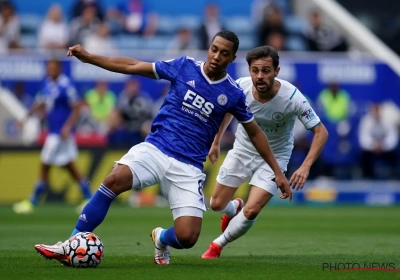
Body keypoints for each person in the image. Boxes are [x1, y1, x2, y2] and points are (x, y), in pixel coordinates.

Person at [34, 31, 291, 266]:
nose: (216, 56)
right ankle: (69, 243)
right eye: (214, 49)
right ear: (209, 48)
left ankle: (161, 239)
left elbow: (255, 133)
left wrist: (277, 172)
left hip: (189, 166)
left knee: (188, 237)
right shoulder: (184, 67)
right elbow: (133, 65)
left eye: (224, 53)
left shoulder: (233, 94)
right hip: (156, 148)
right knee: (114, 180)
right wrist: (90, 58)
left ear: (232, 58)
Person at [201, 46, 328, 259]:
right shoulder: (240, 87)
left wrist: (305, 167)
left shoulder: (293, 97)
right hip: (242, 151)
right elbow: (226, 113)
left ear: (276, 71)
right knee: (215, 204)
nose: (260, 76)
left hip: (274, 160)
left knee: (251, 211)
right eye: (255, 70)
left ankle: (217, 246)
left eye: (266, 71)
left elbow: (321, 132)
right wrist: (216, 140)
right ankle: (234, 208)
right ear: (249, 70)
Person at [13, 59, 92, 215]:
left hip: (60, 133)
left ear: (59, 68)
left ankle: (32, 201)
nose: (50, 70)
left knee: (45, 163)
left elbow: (77, 108)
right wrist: (25, 118)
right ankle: (89, 198)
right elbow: (40, 102)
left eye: (53, 67)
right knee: (69, 166)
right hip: (54, 131)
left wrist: (68, 127)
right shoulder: (48, 84)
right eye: (48, 67)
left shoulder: (66, 85)